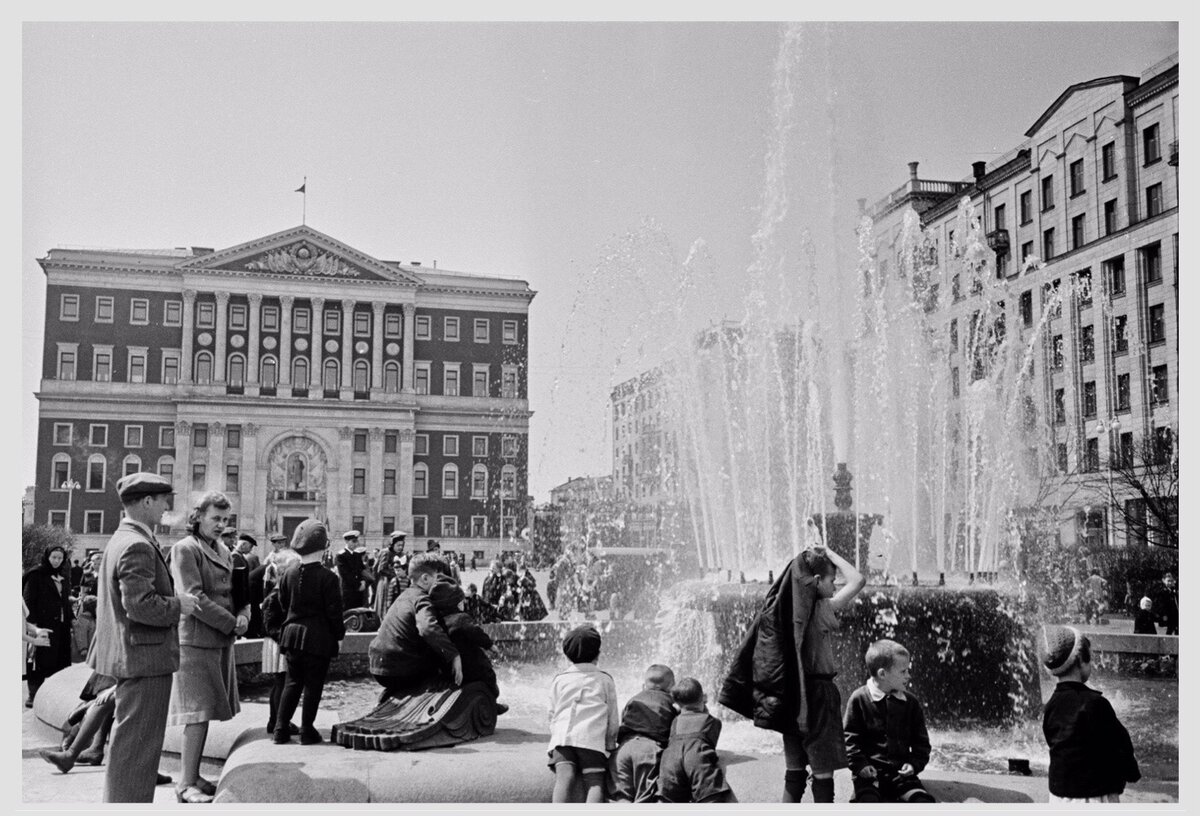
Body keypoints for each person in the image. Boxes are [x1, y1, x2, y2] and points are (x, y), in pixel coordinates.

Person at [719, 541, 867, 803]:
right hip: (818, 697)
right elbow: (857, 580)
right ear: (818, 580)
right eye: (832, 580)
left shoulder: (781, 611)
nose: (835, 586)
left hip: (788, 692)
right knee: (823, 774)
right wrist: (829, 552)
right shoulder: (821, 609)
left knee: (794, 772)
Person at [88, 472, 199, 803]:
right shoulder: (137, 543)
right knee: (137, 751)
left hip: (131, 655)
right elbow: (139, 605)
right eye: (164, 499)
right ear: (147, 501)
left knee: (129, 748)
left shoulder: (124, 537)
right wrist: (180, 604)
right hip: (144, 659)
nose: (167, 506)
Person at [166, 490, 249, 803]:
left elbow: (237, 592)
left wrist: (244, 614)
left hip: (218, 639)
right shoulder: (185, 549)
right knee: (196, 713)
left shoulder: (223, 549)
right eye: (215, 518)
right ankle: (185, 784)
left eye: (225, 520)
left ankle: (194, 775)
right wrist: (231, 622)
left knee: (205, 711)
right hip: (196, 641)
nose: (220, 525)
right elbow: (194, 598)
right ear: (197, 517)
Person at [1041, 624, 1141, 802]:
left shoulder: (1051, 705)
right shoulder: (1095, 704)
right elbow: (1120, 744)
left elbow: (1053, 742)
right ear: (1080, 659)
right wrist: (1131, 772)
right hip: (1093, 796)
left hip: (1059, 795)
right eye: (1090, 658)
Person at [272, 520, 345, 745]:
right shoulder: (329, 578)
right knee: (314, 684)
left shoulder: (288, 574)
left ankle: (280, 729)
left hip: (291, 636)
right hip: (318, 638)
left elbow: (283, 605)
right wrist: (339, 636)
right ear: (324, 548)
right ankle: (306, 730)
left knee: (292, 682)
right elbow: (334, 613)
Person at [842, 639, 935, 803]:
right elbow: (848, 739)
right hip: (870, 776)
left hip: (902, 776)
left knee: (922, 802)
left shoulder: (910, 702)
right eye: (903, 671)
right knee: (867, 802)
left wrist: (913, 765)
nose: (909, 675)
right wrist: (860, 766)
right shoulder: (859, 699)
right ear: (882, 674)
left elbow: (922, 744)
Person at [368, 553, 463, 700]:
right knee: (442, 665)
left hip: (378, 665)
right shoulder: (422, 599)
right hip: (398, 669)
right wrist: (453, 655)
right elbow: (428, 629)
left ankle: (390, 698)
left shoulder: (405, 595)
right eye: (441, 579)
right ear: (425, 579)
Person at [547, 624, 619, 803]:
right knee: (595, 783)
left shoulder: (559, 679)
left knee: (564, 779)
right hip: (591, 741)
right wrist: (610, 745)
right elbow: (612, 717)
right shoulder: (605, 680)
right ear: (598, 653)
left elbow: (552, 713)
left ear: (566, 655)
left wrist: (554, 738)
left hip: (563, 740)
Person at [657, 678, 737, 803]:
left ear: (676, 704)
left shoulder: (675, 721)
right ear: (703, 697)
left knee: (669, 800)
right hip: (696, 758)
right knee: (709, 798)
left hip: (670, 759)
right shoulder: (713, 722)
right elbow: (709, 742)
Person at [428, 576, 504, 706]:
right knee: (488, 675)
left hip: (449, 668)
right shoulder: (461, 618)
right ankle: (492, 702)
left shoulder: (437, 621)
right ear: (457, 604)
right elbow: (476, 633)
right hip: (472, 667)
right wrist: (490, 646)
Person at [608, 664, 677, 803]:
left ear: (643, 685)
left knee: (621, 796)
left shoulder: (633, 699)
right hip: (648, 750)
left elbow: (623, 721)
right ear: (671, 686)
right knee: (644, 798)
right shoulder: (671, 703)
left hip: (623, 749)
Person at [23, 544, 76, 707]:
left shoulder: (64, 576)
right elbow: (28, 599)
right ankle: (33, 694)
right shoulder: (36, 574)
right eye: (54, 557)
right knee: (37, 659)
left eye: (60, 558)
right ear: (47, 557)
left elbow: (65, 600)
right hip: (41, 624)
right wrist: (32, 624)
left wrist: (71, 618)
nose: (56, 561)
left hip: (60, 626)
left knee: (58, 659)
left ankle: (54, 694)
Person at [260, 531, 302, 737]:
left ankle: (277, 719)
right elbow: (269, 626)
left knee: (283, 682)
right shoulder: (274, 597)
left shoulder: (282, 594)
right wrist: (286, 638)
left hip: (281, 643)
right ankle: (277, 720)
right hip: (278, 645)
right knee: (281, 682)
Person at [374, 531, 409, 619]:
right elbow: (381, 569)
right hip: (386, 582)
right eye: (398, 545)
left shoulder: (402, 554)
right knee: (386, 604)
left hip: (399, 583)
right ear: (392, 544)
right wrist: (395, 574)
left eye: (402, 545)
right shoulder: (386, 552)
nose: (400, 547)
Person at [335, 530, 369, 608]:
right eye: (353, 541)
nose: (356, 544)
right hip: (348, 590)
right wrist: (358, 585)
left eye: (357, 541)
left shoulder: (357, 555)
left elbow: (362, 570)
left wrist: (363, 582)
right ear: (346, 541)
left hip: (359, 590)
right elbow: (345, 575)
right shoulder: (341, 555)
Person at [71, 595, 98, 663]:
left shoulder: (90, 619)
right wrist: (83, 648)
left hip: (90, 651)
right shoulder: (83, 619)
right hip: (84, 654)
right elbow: (80, 633)